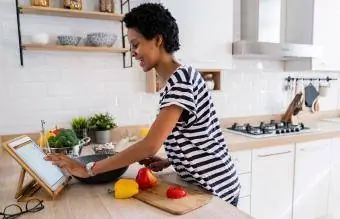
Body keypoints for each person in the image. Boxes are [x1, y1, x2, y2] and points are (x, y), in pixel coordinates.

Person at [44, 3, 240, 207]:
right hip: (205, 184)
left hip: (217, 189)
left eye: (135, 44)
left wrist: (88, 169)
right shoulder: (179, 77)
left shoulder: (181, 80)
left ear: (157, 39)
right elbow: (195, 134)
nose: (133, 52)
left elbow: (150, 144)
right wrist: (173, 161)